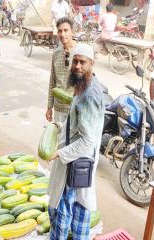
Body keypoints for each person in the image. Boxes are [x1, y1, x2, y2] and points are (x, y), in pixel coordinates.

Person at [48, 43, 104, 239]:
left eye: (82, 62)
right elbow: (81, 125)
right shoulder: (85, 86)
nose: (78, 66)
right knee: (81, 208)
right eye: (75, 61)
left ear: (91, 64)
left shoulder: (89, 95)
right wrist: (61, 128)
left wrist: (60, 153)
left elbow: (87, 139)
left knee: (62, 210)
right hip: (83, 161)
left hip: (75, 161)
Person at [46, 17, 76, 123]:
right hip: (59, 108)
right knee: (59, 138)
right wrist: (49, 107)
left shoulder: (80, 53)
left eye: (66, 30)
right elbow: (52, 81)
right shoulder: (56, 54)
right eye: (60, 31)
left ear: (72, 31)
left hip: (75, 108)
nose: (62, 34)